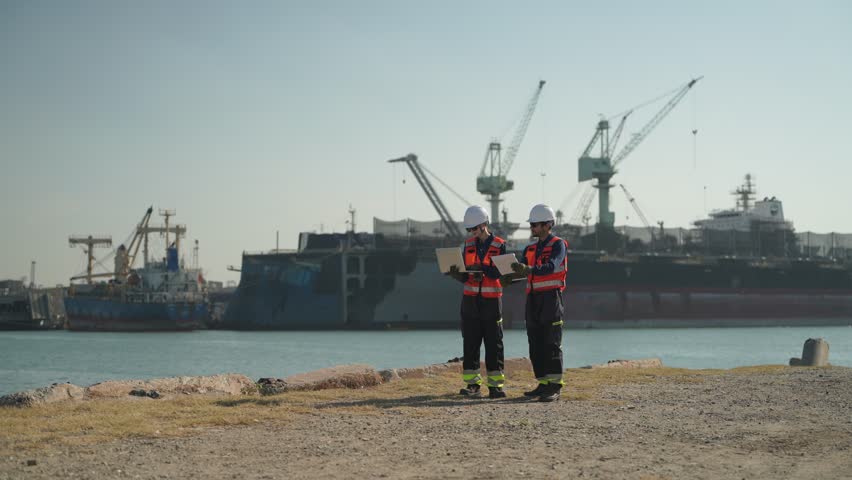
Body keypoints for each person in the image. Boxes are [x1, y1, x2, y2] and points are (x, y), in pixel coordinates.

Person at [446, 205, 507, 399]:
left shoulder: (499, 245)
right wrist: (456, 273)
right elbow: (465, 277)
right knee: (470, 344)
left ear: (483, 225)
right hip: (470, 302)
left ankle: (495, 387)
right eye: (469, 230)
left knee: (493, 345)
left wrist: (480, 268)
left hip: (491, 302)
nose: (471, 233)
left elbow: (500, 272)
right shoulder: (468, 245)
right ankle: (473, 385)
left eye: (473, 229)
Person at [510, 204, 568, 402]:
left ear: (548, 224)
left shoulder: (558, 245)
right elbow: (524, 271)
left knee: (551, 342)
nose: (532, 227)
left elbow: (553, 266)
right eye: (532, 224)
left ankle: (555, 386)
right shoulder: (530, 248)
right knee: (535, 342)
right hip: (533, 299)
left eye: (535, 224)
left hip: (551, 298)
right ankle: (543, 383)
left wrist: (528, 269)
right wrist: (509, 277)